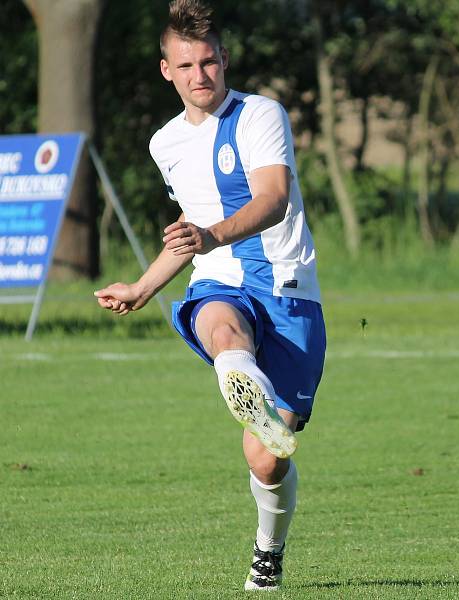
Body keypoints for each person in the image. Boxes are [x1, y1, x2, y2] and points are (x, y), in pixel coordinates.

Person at [94, 0, 326, 591]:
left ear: (224, 60)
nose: (201, 75)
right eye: (187, 65)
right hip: (220, 281)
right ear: (166, 70)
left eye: (209, 62)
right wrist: (143, 287)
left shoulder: (259, 115)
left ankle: (268, 551)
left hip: (288, 290)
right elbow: (191, 231)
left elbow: (272, 198)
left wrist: (209, 235)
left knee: (267, 460)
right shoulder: (164, 143)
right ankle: (239, 376)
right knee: (223, 329)